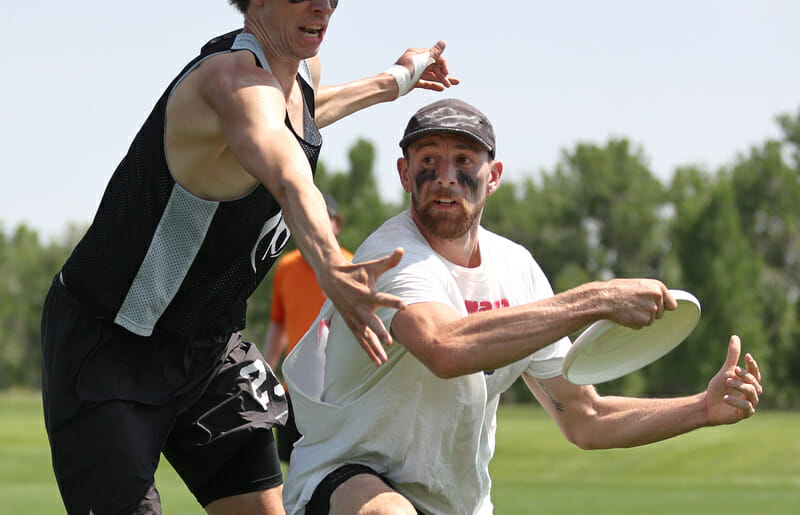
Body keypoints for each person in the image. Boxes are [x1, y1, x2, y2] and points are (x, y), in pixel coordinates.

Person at [39, 0, 459, 513]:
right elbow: (288, 176)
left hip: (209, 348)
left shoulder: (298, 74)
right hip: (111, 346)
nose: (323, 5)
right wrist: (332, 264)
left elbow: (304, 109)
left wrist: (396, 78)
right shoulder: (229, 81)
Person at [281, 98, 763, 515]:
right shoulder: (391, 257)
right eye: (429, 160)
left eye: (464, 161)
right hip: (347, 477)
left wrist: (701, 407)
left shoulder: (518, 269)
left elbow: (584, 418)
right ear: (405, 174)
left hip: (456, 501)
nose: (446, 177)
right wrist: (594, 299)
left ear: (493, 177)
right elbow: (444, 347)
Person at [264, 193, 353, 462]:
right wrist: (267, 375)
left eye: (322, 217)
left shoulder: (352, 266)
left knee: (335, 469)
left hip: (338, 393)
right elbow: (277, 325)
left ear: (337, 224)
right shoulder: (286, 267)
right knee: (293, 471)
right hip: (295, 391)